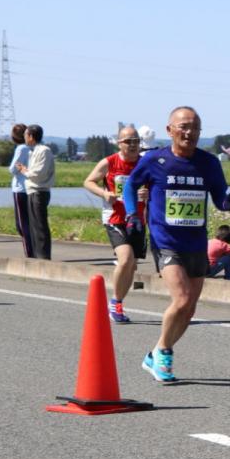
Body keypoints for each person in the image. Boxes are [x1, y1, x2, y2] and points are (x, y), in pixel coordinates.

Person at [124, 106, 230, 383]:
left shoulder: (208, 163)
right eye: (184, 127)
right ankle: (164, 352)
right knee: (183, 298)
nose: (189, 133)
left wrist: (229, 203)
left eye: (195, 128)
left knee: (189, 308)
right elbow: (130, 186)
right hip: (166, 241)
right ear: (170, 130)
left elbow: (220, 198)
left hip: (196, 242)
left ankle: (155, 353)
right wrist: (132, 214)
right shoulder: (154, 160)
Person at [83, 125, 149, 321]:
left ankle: (118, 302)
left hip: (138, 218)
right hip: (115, 217)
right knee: (126, 259)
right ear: (119, 143)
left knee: (132, 265)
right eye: (128, 141)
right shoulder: (109, 162)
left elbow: (158, 186)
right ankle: (115, 304)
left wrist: (148, 193)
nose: (133, 145)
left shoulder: (145, 164)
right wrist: (104, 193)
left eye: (136, 141)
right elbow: (88, 182)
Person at [15, 124, 55, 260]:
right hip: (32, 191)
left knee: (40, 225)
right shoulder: (33, 151)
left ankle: (44, 257)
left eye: (26, 135)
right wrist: (26, 170)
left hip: (40, 191)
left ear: (31, 136)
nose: (24, 138)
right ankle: (38, 255)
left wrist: (24, 171)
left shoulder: (44, 151)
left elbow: (39, 173)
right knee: (33, 226)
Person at [7, 123, 34, 258]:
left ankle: (30, 253)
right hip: (32, 188)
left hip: (20, 189)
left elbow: (13, 169)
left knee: (22, 224)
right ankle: (35, 251)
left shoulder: (21, 148)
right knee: (31, 222)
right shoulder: (34, 147)